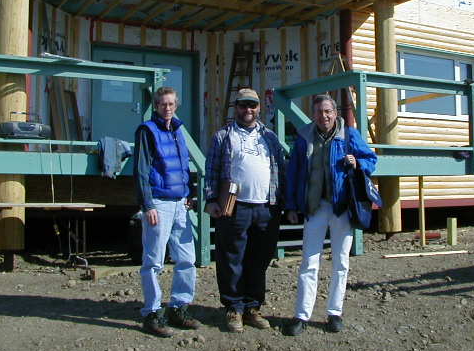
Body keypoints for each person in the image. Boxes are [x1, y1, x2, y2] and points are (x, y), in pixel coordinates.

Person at [283, 94, 377, 336]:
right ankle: (302, 315)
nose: (323, 116)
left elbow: (371, 159)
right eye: (318, 111)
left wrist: (358, 162)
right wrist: (291, 206)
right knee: (309, 262)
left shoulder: (349, 135)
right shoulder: (304, 137)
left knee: (341, 262)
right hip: (314, 207)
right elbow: (293, 172)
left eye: (327, 111)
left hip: (341, 207)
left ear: (335, 113)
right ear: (313, 114)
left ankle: (335, 313)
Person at [205, 88, 286, 333]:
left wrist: (284, 202)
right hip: (234, 206)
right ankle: (233, 308)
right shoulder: (223, 136)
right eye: (243, 105)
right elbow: (212, 170)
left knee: (259, 259)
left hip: (266, 207)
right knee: (231, 258)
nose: (248, 109)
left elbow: (280, 169)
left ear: (259, 108)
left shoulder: (270, 137)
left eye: (252, 105)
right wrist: (211, 199)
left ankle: (252, 307)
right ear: (236, 107)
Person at [134, 86, 201, 337]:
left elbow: (184, 166)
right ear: (156, 105)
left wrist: (189, 194)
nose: (167, 108)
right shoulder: (147, 131)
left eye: (171, 104)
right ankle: (152, 312)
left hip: (180, 203)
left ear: (176, 105)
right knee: (153, 260)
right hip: (159, 203)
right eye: (163, 104)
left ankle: (179, 307)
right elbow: (141, 170)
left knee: (187, 259)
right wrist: (147, 205)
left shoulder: (178, 130)